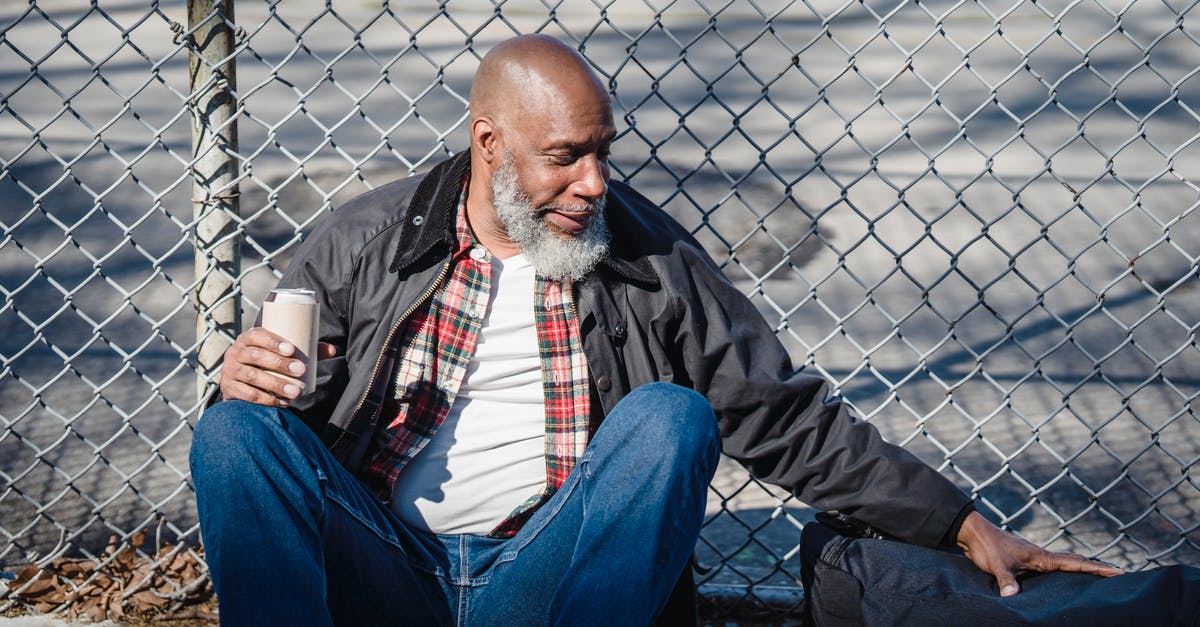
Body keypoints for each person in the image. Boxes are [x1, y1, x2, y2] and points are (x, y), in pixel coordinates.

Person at [190, 34, 1121, 626]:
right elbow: (281, 431)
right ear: (489, 144)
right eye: (565, 157)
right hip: (384, 570)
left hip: (549, 581)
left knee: (672, 416)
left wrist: (955, 521)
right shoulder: (363, 242)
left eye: (602, 151)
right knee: (232, 434)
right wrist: (247, 385)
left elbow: (780, 413)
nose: (595, 182)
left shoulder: (645, 254)